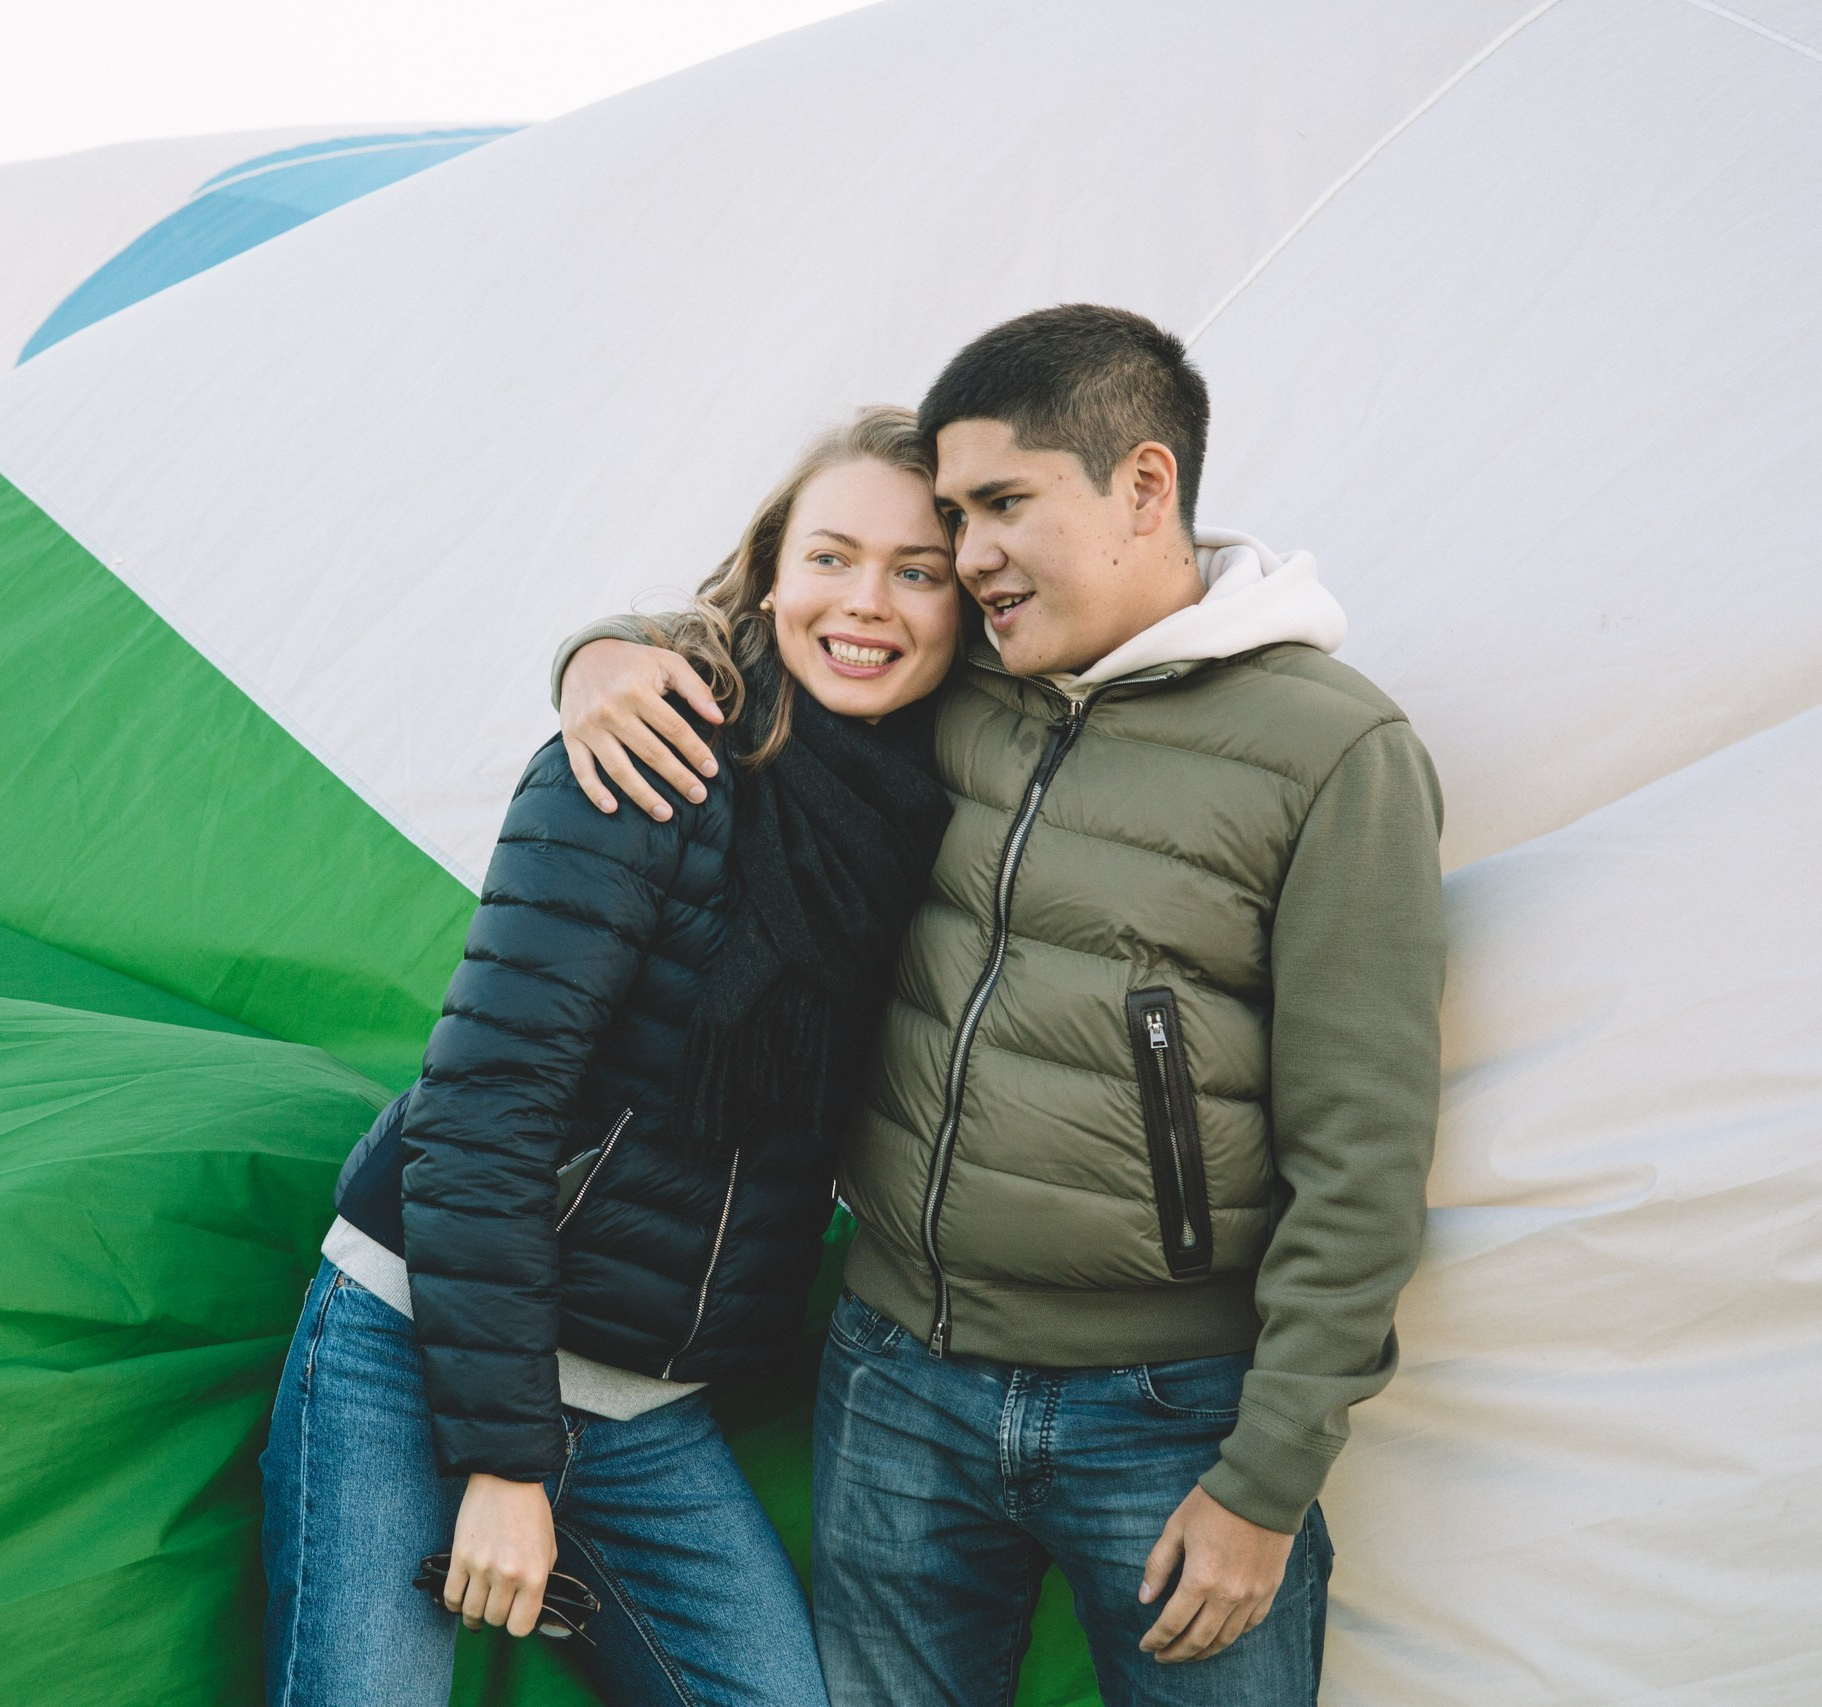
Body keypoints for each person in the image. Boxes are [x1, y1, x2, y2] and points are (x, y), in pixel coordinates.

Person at [552, 305, 1446, 1706]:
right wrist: (604, 652)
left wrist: (1267, 1482)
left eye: (1000, 506)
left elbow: (1365, 1159)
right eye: (956, 518)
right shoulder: (957, 673)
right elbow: (786, 619)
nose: (964, 559)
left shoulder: (1334, 753)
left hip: (1167, 1418)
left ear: (1144, 486)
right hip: (897, 1374)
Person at [260, 407, 966, 1706]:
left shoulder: (929, 816)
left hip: (643, 1402)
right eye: (831, 557)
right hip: (422, 1338)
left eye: (918, 570)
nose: (865, 602)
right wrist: (509, 1465)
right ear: (769, 570)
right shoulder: (643, 756)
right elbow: (485, 1108)